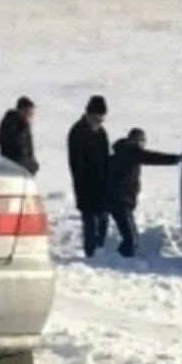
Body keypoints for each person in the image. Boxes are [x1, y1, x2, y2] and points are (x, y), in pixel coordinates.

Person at [106, 128, 181, 257]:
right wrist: (176, 159)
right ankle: (120, 262)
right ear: (136, 141)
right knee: (131, 239)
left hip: (120, 201)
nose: (143, 145)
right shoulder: (131, 153)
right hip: (120, 201)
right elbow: (153, 157)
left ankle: (119, 260)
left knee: (131, 237)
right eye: (142, 141)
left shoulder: (121, 153)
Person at [67, 95, 111, 257]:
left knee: (103, 220)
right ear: (88, 115)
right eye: (96, 119)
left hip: (102, 184)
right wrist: (82, 183)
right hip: (86, 185)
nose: (98, 123)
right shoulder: (78, 132)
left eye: (101, 120)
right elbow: (76, 162)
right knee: (90, 221)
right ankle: (91, 252)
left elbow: (106, 157)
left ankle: (99, 249)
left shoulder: (101, 133)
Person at [0, 96, 39, 175]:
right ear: (20, 110)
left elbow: (29, 148)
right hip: (11, 166)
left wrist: (32, 162)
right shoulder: (11, 122)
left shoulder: (25, 127)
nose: (29, 116)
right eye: (27, 112)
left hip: (23, 167)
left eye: (31, 113)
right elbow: (14, 145)